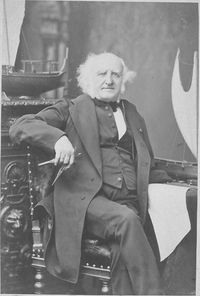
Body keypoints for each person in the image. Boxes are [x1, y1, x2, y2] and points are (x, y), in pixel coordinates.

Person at [9, 52, 172, 295]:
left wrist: (177, 187)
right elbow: (20, 125)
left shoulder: (132, 113)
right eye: (102, 74)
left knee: (123, 252)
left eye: (115, 74)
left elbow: (147, 162)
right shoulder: (70, 109)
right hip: (86, 201)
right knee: (126, 221)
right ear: (88, 79)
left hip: (127, 202)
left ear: (122, 80)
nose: (109, 80)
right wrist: (59, 139)